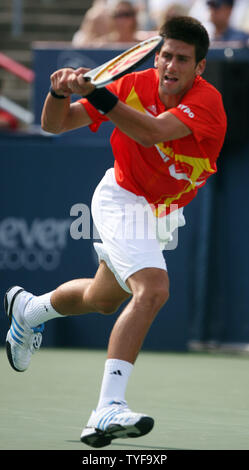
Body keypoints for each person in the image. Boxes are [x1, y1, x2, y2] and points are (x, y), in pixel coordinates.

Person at [4, 16, 227, 448]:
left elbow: (151, 132)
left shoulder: (208, 103)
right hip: (122, 198)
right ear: (156, 55)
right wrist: (58, 91)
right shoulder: (133, 85)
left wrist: (99, 94)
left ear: (199, 68)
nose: (170, 66)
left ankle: (28, 310)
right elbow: (55, 124)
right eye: (165, 55)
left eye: (182, 59)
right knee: (153, 289)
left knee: (104, 299)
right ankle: (106, 408)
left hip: (161, 211)